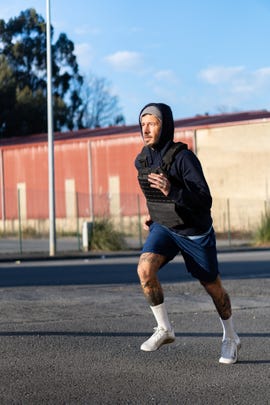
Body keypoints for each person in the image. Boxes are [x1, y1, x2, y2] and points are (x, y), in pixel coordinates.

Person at [135, 102, 240, 364]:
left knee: (212, 286)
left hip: (194, 230)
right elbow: (152, 192)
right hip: (165, 227)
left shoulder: (184, 158)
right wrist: (153, 212)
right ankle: (164, 328)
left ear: (165, 125)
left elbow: (205, 200)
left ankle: (231, 337)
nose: (146, 129)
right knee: (145, 270)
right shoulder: (143, 159)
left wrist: (173, 191)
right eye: (143, 124)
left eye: (152, 123)